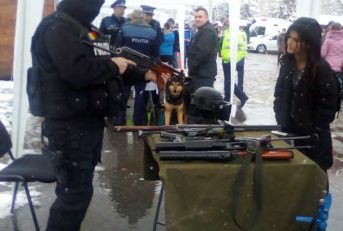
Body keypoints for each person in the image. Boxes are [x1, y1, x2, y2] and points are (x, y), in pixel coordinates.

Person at [29, 0, 157, 230]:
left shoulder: (87, 29)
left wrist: (144, 74)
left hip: (87, 124)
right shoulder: (57, 28)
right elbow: (78, 72)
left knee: (80, 192)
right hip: (68, 126)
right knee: (72, 197)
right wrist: (113, 66)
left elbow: (108, 63)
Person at [273, 17, 339, 171]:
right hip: (288, 133)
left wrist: (312, 130)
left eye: (296, 39)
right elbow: (279, 96)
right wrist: (282, 121)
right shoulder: (287, 64)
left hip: (313, 140)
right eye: (289, 37)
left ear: (308, 43)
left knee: (314, 184)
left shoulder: (321, 69)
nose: (289, 42)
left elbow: (328, 108)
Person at [115, 9, 158, 125]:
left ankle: (119, 119)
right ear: (143, 18)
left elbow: (117, 48)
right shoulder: (152, 32)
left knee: (123, 92)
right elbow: (155, 53)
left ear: (132, 18)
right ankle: (138, 120)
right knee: (140, 94)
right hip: (143, 69)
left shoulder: (124, 29)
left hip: (126, 66)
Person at [218, 17, 249, 107]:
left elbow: (243, 50)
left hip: (231, 61)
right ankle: (227, 99)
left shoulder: (238, 33)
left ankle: (242, 97)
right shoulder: (226, 32)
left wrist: (235, 60)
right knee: (227, 81)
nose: (226, 22)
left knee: (229, 81)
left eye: (228, 20)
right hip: (225, 60)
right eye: (226, 21)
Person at [187, 7, 218, 92]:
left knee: (201, 102)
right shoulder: (202, 30)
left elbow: (202, 53)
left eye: (200, 17)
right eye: (195, 17)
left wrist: (192, 67)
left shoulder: (207, 31)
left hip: (203, 75)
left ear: (206, 18)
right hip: (200, 74)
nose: (197, 19)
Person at [321, 22, 343, 98]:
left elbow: (323, 54)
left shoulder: (328, 40)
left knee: (329, 82)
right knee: (340, 82)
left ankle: (329, 95)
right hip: (341, 66)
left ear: (332, 29)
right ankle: (340, 96)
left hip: (329, 65)